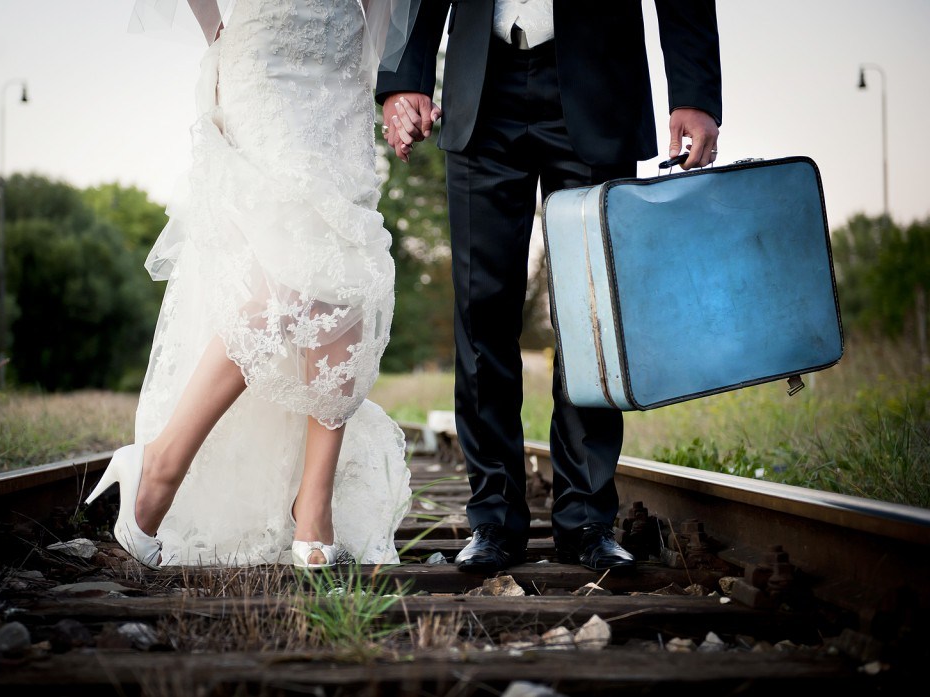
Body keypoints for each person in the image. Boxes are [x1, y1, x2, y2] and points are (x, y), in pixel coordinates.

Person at [376, 0, 722, 573]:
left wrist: (695, 92)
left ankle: (587, 518)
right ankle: (493, 518)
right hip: (481, 84)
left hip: (597, 81)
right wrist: (403, 78)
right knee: (480, 311)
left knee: (592, 316)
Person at [85, 0, 414, 569]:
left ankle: (312, 507)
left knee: (344, 265)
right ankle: (160, 463)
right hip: (264, 55)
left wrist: (388, 75)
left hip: (342, 57)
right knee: (283, 282)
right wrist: (216, 33)